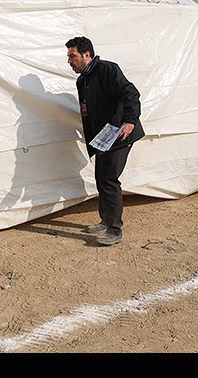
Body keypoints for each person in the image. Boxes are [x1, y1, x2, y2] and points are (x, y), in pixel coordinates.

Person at [65, 36, 145, 246]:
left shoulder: (108, 70)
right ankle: (105, 220)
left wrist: (129, 121)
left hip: (120, 134)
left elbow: (130, 93)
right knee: (101, 178)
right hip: (102, 139)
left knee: (109, 179)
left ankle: (114, 229)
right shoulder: (82, 80)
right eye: (68, 57)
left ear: (87, 55)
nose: (69, 61)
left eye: (72, 56)